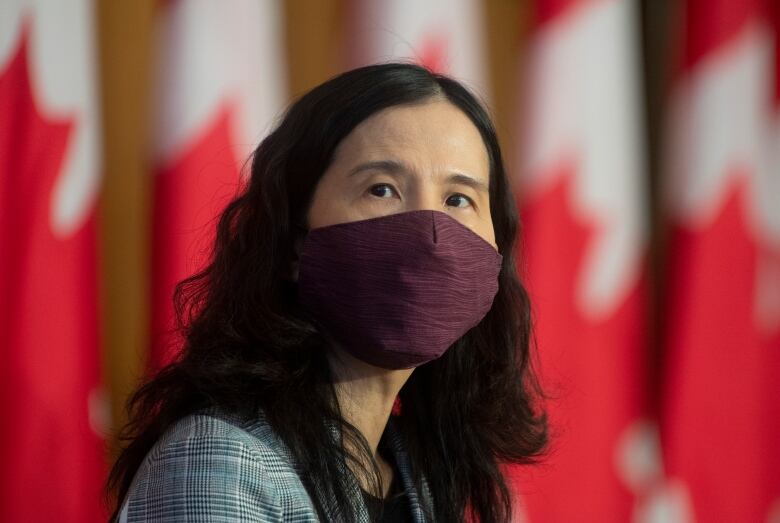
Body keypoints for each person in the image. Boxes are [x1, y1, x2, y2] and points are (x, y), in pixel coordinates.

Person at [106, 62, 548, 523]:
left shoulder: (417, 472)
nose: (431, 235)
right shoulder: (220, 465)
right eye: (382, 189)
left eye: (459, 199)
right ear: (294, 243)